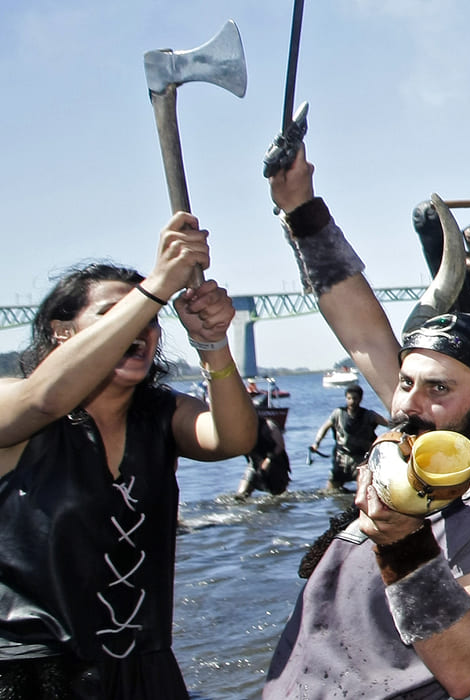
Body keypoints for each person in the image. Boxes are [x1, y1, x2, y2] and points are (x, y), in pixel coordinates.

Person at [262, 147, 470, 699]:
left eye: (439, 389)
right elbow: (361, 331)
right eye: (406, 382)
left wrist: (401, 538)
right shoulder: (424, 429)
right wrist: (301, 210)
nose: (408, 403)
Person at [0, 217, 256, 698]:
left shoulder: (163, 413)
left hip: (144, 669)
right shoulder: (15, 404)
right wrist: (158, 286)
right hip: (33, 675)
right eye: (115, 314)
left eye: (151, 319)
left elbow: (233, 439)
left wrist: (214, 343)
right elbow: (45, 400)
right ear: (61, 333)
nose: (140, 325)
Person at [311, 385, 385, 492]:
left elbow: (388, 423)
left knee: (365, 489)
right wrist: (316, 443)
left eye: (355, 398)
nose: (352, 401)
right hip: (341, 457)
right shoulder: (338, 413)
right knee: (331, 491)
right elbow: (324, 428)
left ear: (360, 399)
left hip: (361, 459)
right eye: (349, 398)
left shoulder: (369, 415)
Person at [236, 414, 293, 498]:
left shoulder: (269, 425)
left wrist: (268, 459)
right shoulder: (242, 429)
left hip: (275, 464)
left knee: (278, 497)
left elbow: (280, 446)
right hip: (254, 464)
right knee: (241, 495)